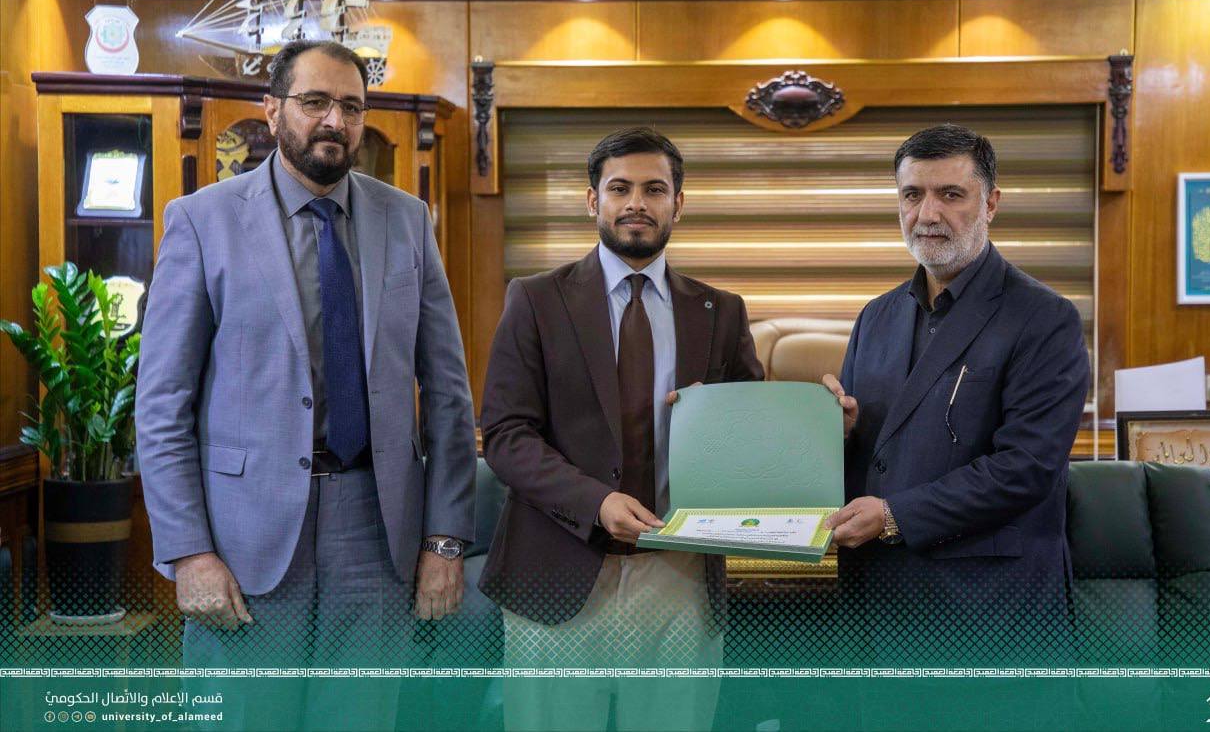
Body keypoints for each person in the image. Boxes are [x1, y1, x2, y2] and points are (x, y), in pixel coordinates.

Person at [135, 40, 476, 728]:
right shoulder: (202, 220)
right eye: (315, 101)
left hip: (377, 531)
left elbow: (447, 394)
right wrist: (189, 551)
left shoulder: (407, 220)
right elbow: (162, 405)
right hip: (244, 536)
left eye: (351, 106)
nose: (334, 121)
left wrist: (444, 540)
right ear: (272, 110)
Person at [479, 127, 764, 731]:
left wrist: (825, 422)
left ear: (678, 204)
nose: (637, 202)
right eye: (620, 188)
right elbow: (506, 434)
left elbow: (749, 435)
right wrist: (596, 502)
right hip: (556, 568)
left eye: (654, 189)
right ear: (593, 201)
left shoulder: (721, 311)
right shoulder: (535, 300)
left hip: (679, 577)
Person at [821, 123, 1090, 667]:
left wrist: (894, 514)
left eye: (950, 194)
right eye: (912, 195)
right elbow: (879, 454)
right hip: (875, 611)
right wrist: (838, 433)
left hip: (989, 615)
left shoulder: (1044, 318)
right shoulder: (876, 317)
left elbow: (1027, 467)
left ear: (990, 203)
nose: (927, 214)